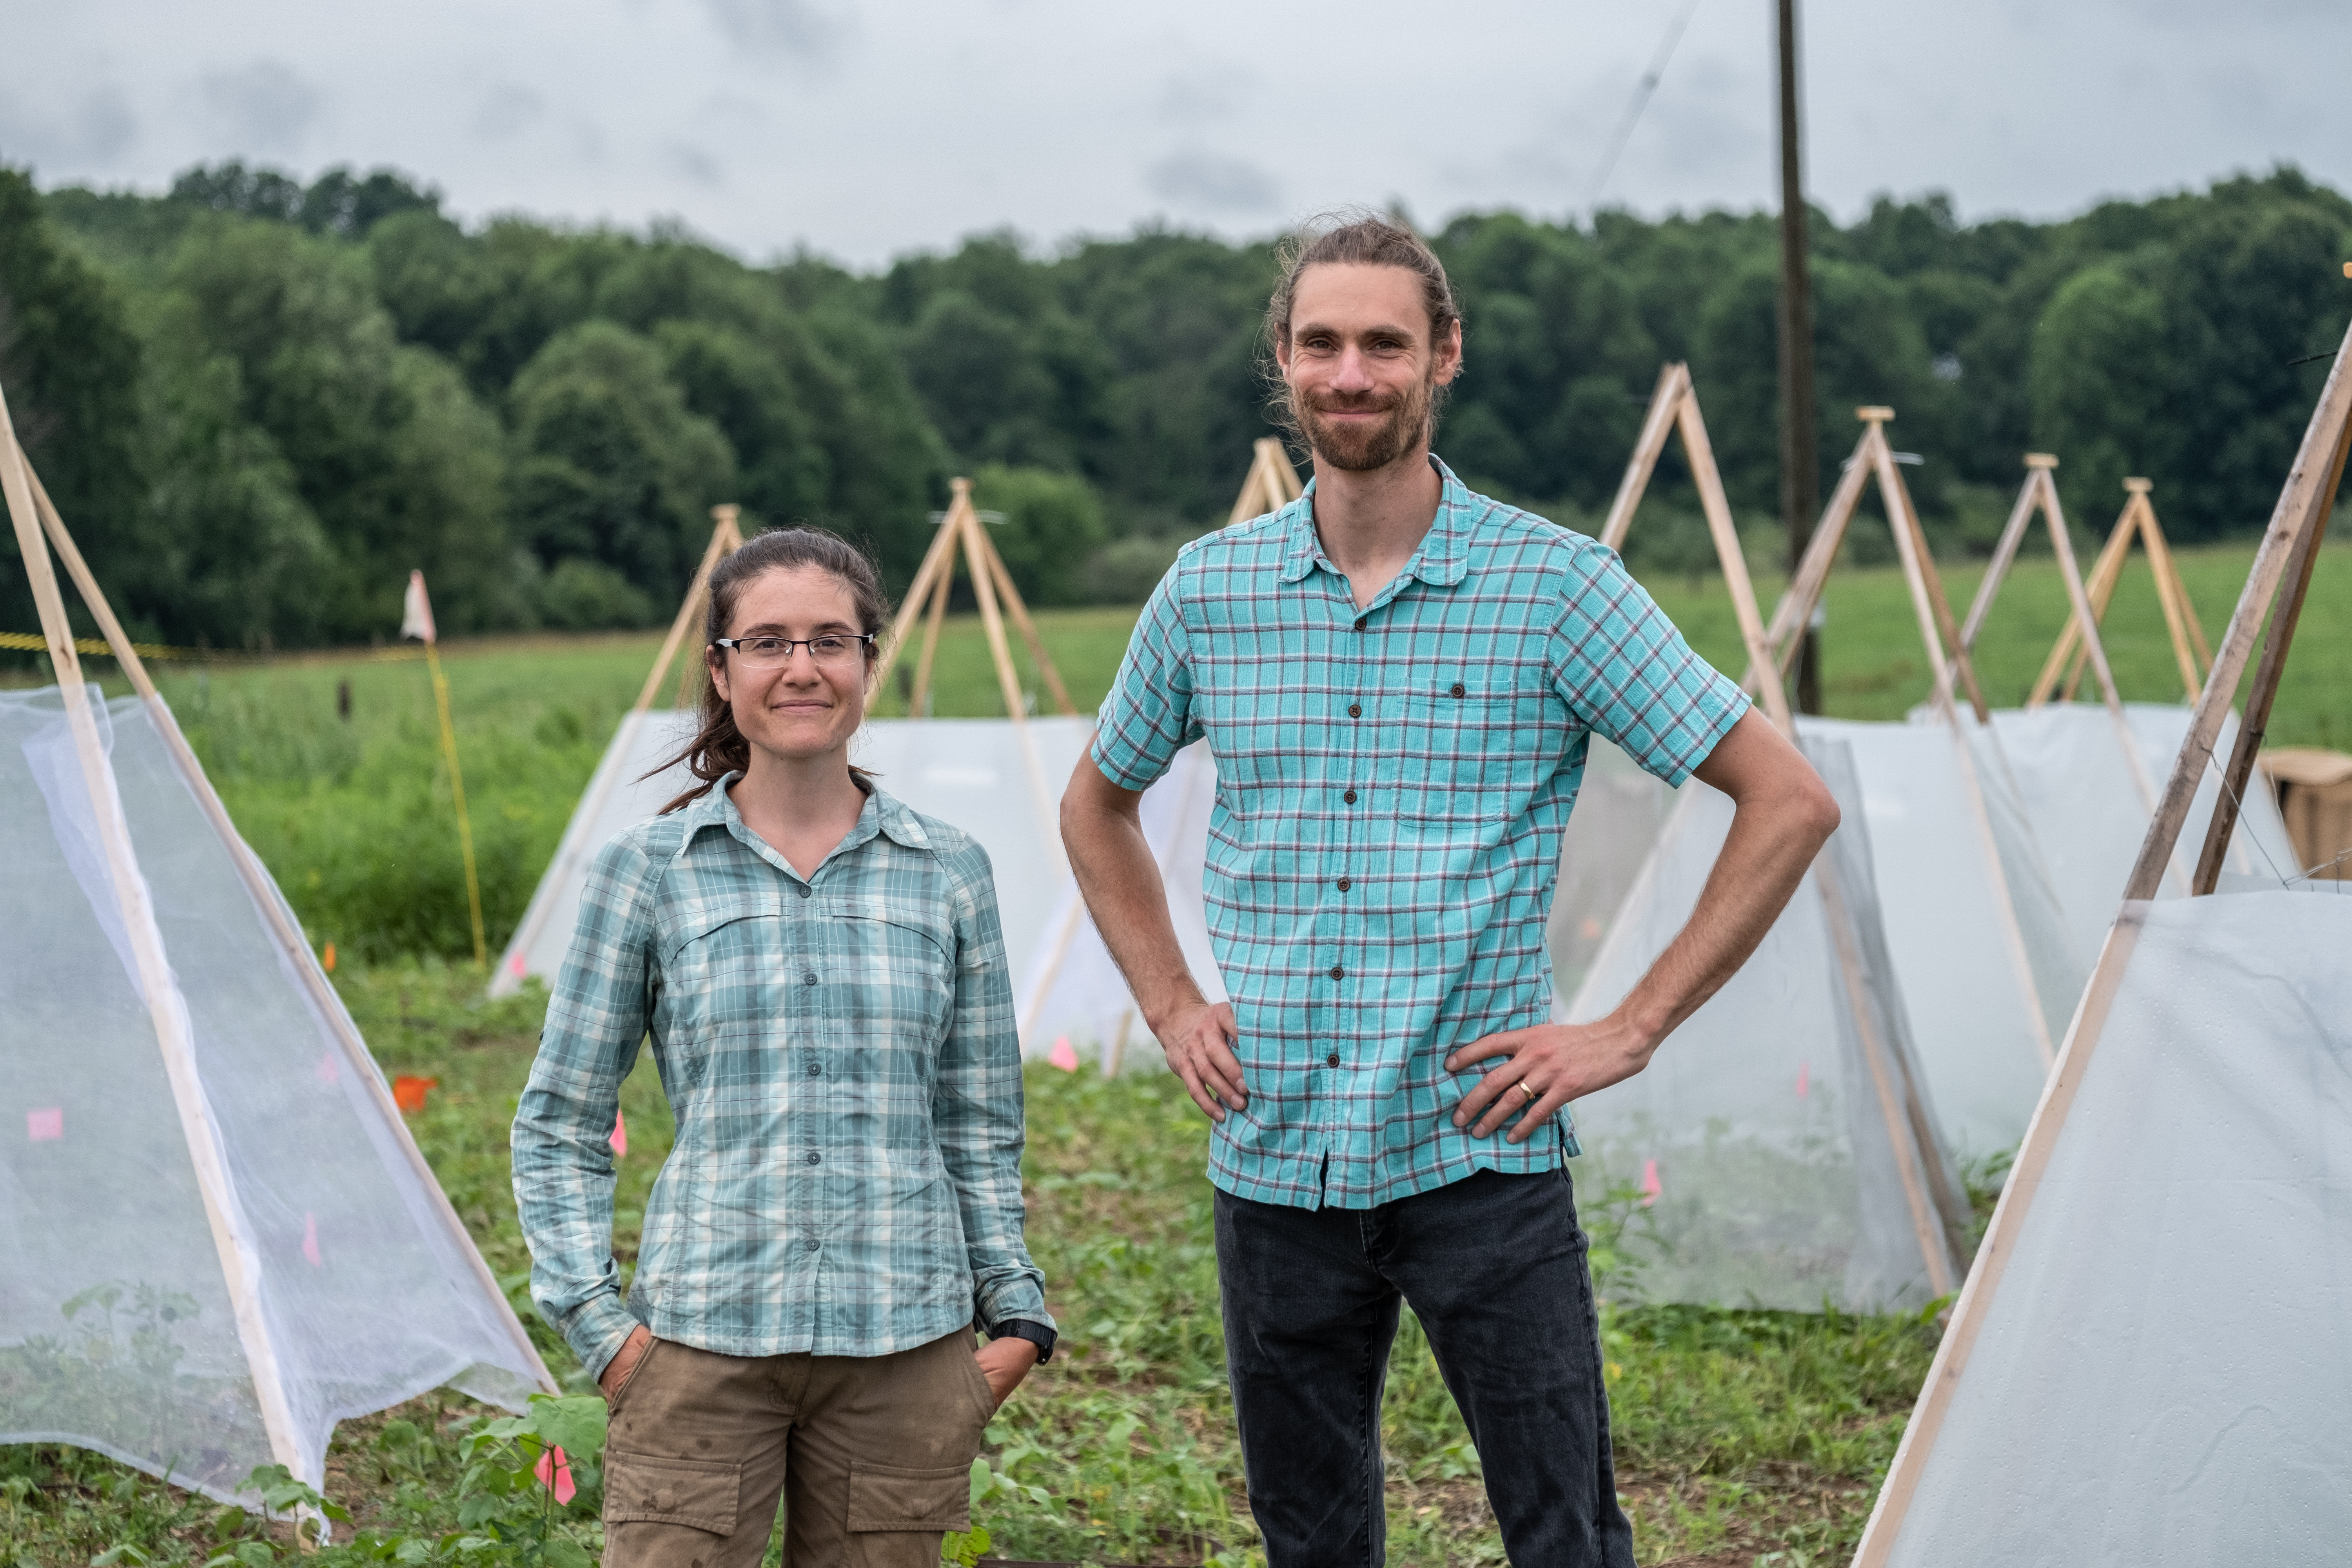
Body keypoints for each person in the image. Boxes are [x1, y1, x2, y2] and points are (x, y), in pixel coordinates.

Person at [1061, 216, 1840, 1566]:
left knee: (1565, 1535)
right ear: (1284, 363)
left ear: (1444, 357)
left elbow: (1789, 800)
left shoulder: (1558, 589)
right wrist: (1176, 1000)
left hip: (1478, 1148)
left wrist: (1630, 1026)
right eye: (1322, 343)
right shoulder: (1210, 592)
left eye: (1384, 343)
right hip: (1275, 1151)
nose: (1351, 373)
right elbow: (1097, 805)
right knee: (1310, 1540)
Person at [512, 527, 1056, 1568]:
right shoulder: (649, 871)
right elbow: (562, 1124)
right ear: (721, 672)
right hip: (701, 1348)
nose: (801, 668)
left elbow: (979, 1124)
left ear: (866, 662)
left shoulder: (949, 872)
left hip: (905, 1349)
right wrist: (602, 1331)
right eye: (766, 643)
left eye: (829, 641)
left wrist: (1015, 1317)